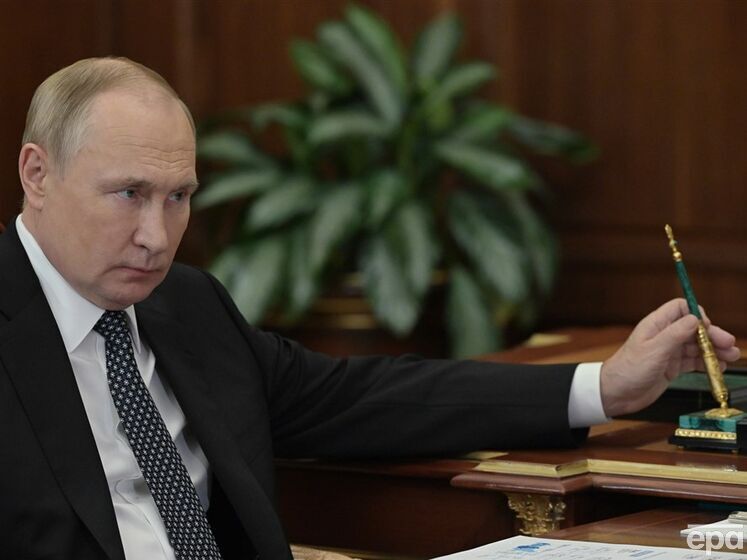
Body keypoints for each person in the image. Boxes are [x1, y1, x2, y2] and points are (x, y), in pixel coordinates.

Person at [0, 57, 739, 560]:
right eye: (129, 194)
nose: (157, 237)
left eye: (179, 197)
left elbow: (362, 397)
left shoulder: (187, 307)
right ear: (38, 173)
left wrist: (604, 386)